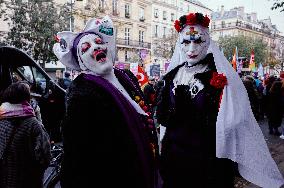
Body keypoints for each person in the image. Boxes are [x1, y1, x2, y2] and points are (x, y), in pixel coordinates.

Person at [156, 12, 284, 188]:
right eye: (186, 42)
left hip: (207, 163)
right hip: (175, 161)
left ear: (207, 41)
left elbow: (236, 118)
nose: (191, 49)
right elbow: (163, 116)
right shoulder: (172, 76)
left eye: (197, 41)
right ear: (180, 43)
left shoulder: (221, 77)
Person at [53, 16, 158, 188]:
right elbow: (77, 155)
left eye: (98, 42)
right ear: (82, 62)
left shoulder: (126, 77)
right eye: (86, 48)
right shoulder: (81, 94)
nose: (95, 47)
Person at [0, 81, 51, 188]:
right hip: (28, 181)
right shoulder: (33, 124)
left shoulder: (1, 118)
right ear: (25, 98)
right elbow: (44, 156)